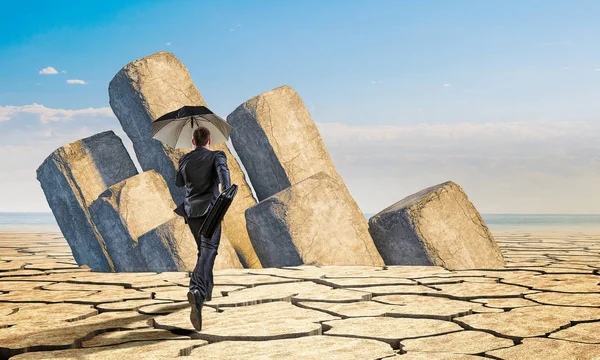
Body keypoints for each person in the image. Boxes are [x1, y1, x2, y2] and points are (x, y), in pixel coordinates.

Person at [174, 126, 230, 331]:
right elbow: (223, 173)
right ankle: (196, 291)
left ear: (193, 142)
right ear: (209, 140)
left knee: (203, 250)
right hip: (211, 211)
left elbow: (179, 183)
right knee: (209, 250)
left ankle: (207, 291)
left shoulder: (184, 160)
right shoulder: (217, 155)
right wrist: (227, 188)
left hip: (191, 212)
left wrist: (184, 165)